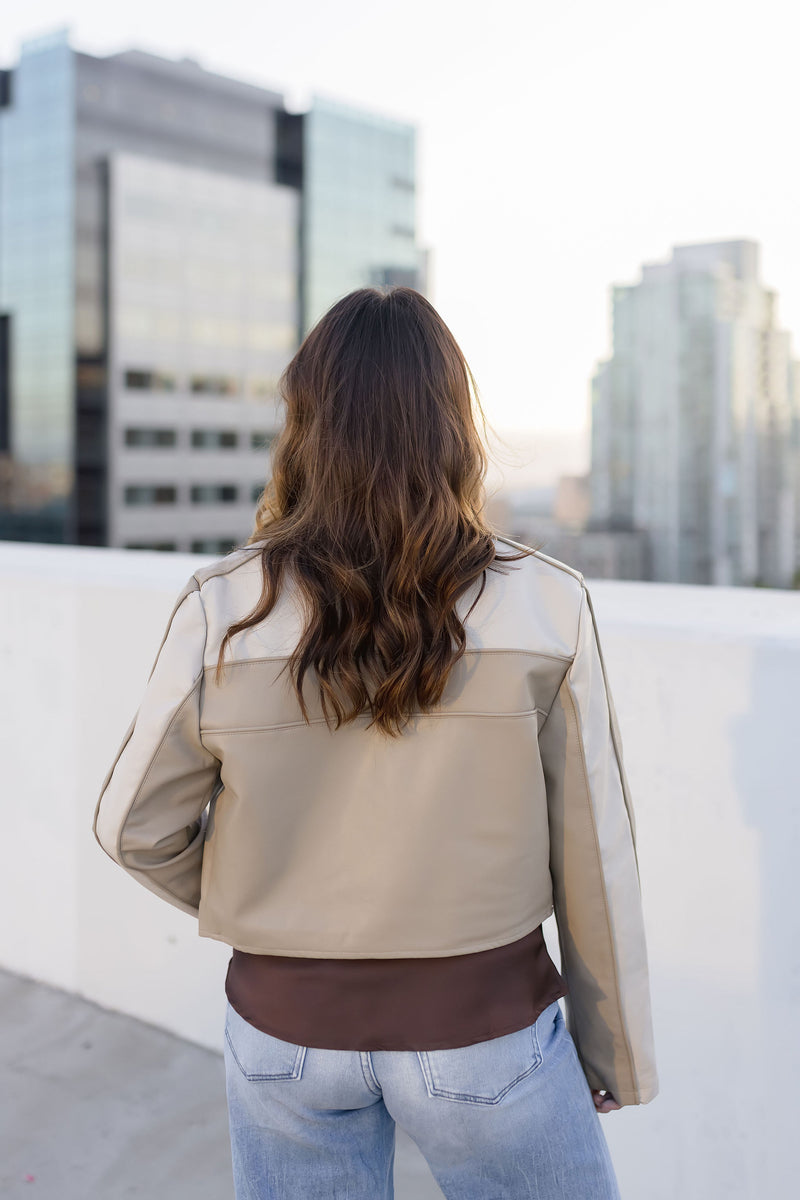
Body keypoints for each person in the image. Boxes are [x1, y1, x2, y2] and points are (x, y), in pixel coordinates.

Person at [93, 286, 658, 1199]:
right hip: (486, 1035)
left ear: (308, 423)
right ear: (453, 426)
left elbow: (131, 828)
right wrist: (615, 1055)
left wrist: (267, 902)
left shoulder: (221, 607)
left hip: (283, 1033)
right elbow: (595, 857)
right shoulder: (549, 603)